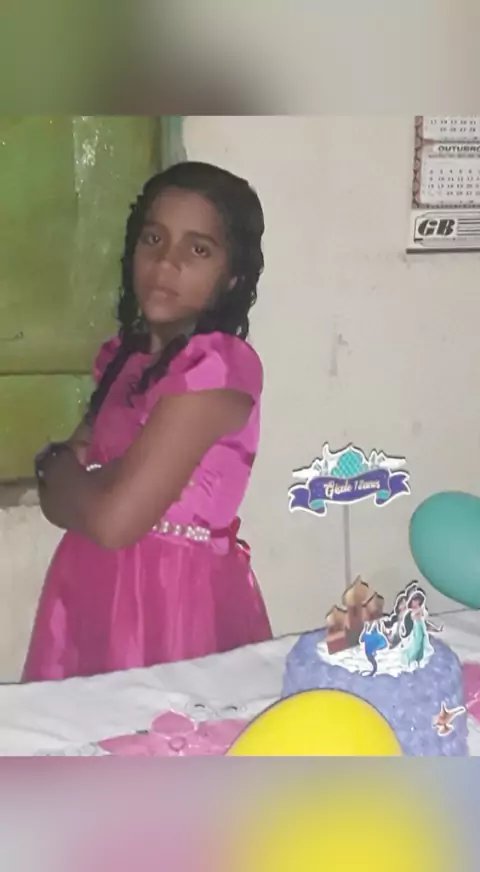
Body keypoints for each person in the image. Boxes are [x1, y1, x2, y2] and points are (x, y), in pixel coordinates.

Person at [23, 161, 273, 682]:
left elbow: (113, 521)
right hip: (90, 585)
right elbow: (58, 502)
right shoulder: (124, 358)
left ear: (231, 276)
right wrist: (84, 481)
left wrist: (61, 468)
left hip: (171, 600)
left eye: (197, 249)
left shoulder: (217, 368)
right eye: (153, 239)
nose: (166, 262)